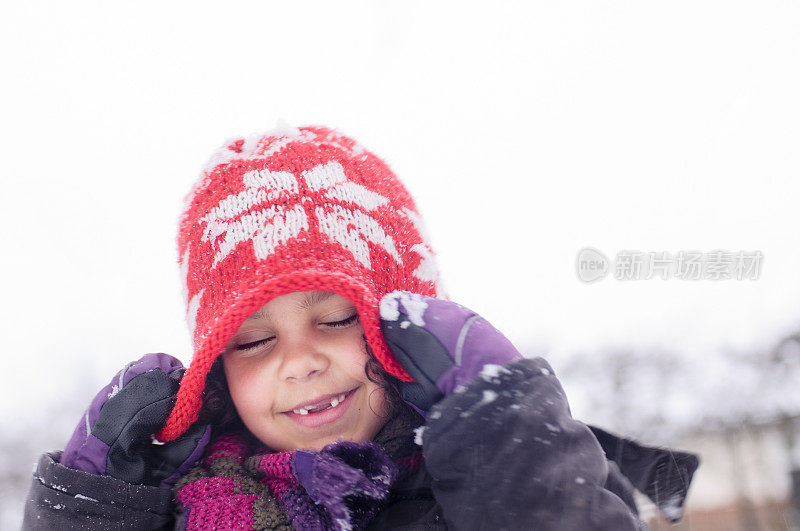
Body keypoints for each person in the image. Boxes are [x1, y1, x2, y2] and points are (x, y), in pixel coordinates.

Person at [23, 125, 698, 530]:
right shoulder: (187, 507)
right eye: (253, 338)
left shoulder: (495, 480)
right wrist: (89, 512)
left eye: (337, 316)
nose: (300, 359)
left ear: (410, 323)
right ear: (216, 365)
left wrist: (515, 449)